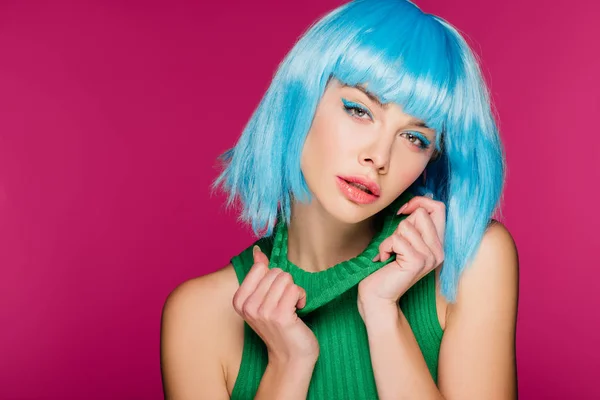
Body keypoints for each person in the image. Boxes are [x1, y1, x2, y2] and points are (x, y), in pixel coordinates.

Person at [160, 0, 519, 398]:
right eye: (358, 110)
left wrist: (383, 315)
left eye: (415, 138)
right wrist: (288, 365)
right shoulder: (200, 316)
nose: (379, 158)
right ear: (302, 98)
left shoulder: (472, 259)